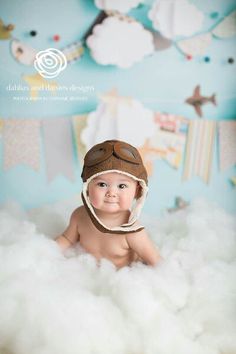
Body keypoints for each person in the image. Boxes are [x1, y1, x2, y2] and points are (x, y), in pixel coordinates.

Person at [56, 140, 162, 268]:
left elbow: (157, 262)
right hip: (88, 274)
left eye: (122, 186)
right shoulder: (79, 216)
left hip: (121, 279)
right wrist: (45, 253)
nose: (111, 193)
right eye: (102, 184)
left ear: (137, 191)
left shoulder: (132, 231)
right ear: (87, 188)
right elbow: (67, 239)